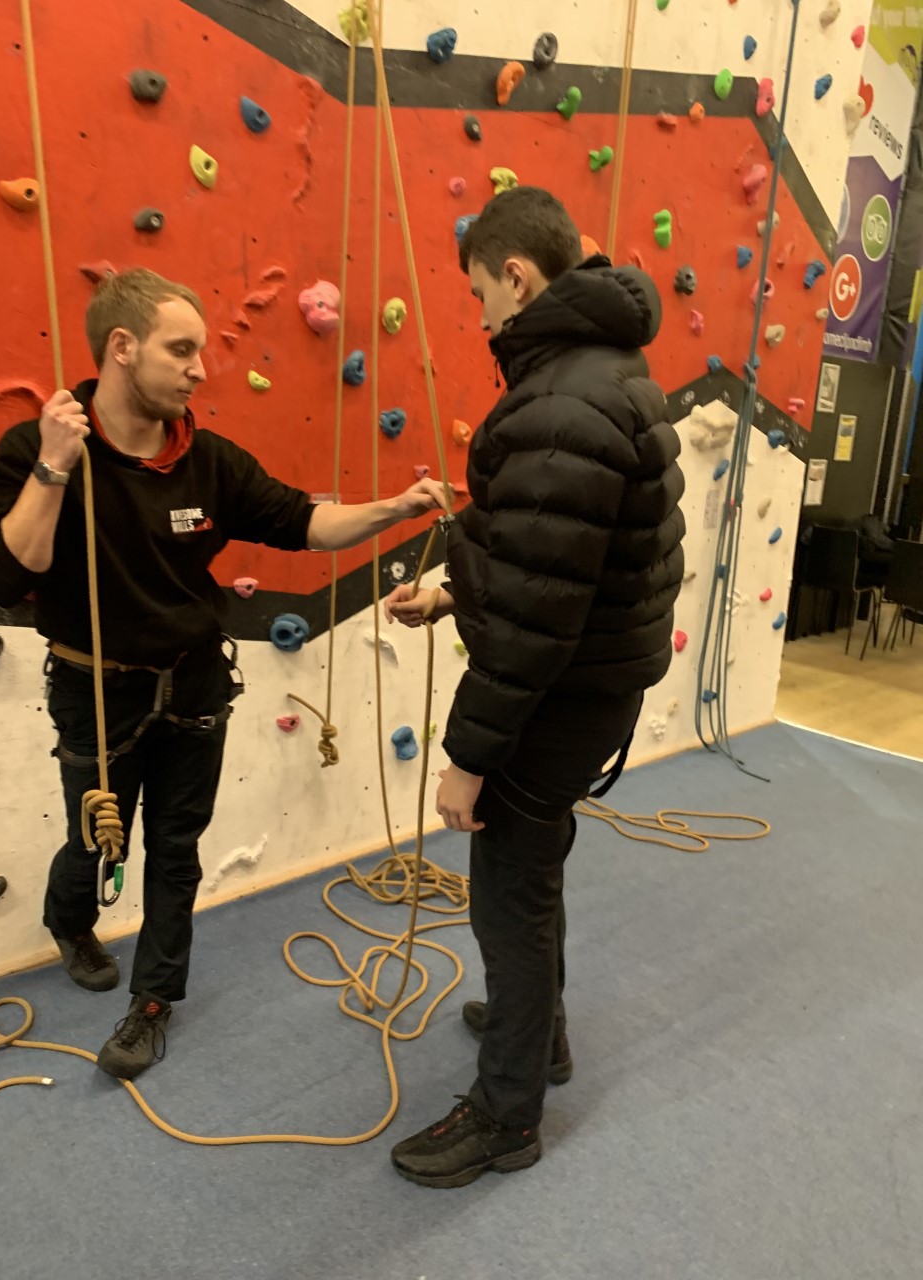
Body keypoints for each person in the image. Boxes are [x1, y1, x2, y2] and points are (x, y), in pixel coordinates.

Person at [0, 268, 444, 1081]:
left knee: (176, 846)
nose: (199, 368)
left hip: (192, 684)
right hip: (94, 686)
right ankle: (70, 920)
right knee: (95, 833)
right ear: (122, 349)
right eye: (180, 349)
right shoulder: (41, 448)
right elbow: (10, 579)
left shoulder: (207, 460)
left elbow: (303, 521)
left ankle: (153, 1002)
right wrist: (53, 465)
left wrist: (392, 509)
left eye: (198, 351)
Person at [384, 187, 685, 1188]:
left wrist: (467, 756)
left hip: (558, 689)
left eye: (479, 292)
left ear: (518, 276)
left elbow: (536, 616)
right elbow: (540, 556)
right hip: (590, 679)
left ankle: (507, 1114)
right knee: (535, 865)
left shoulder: (561, 395)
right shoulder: (603, 367)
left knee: (508, 887)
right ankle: (540, 1033)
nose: (477, 315)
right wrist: (452, 583)